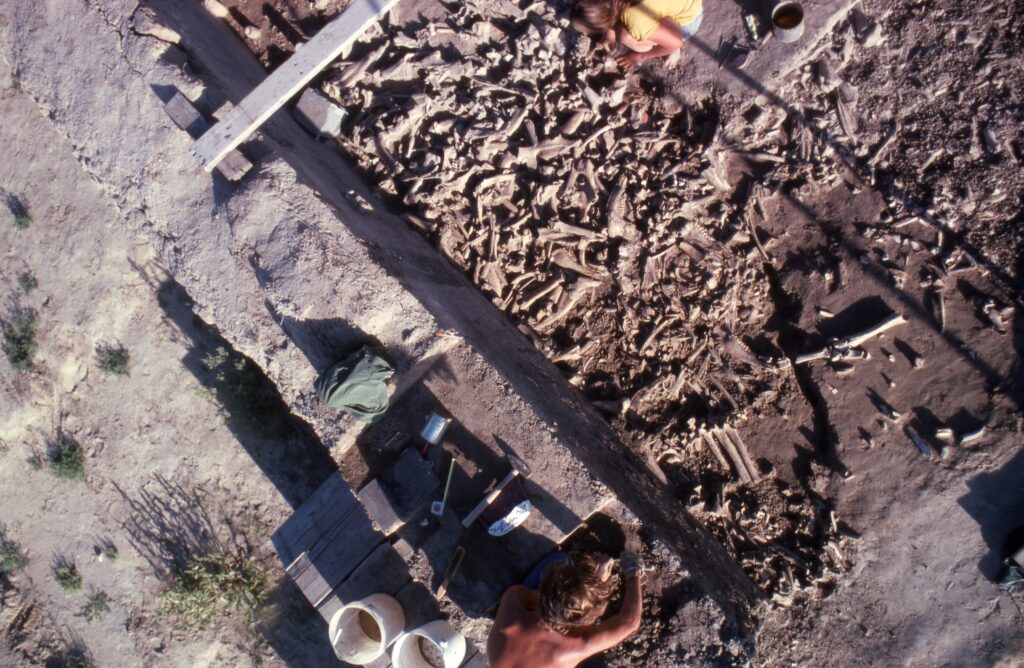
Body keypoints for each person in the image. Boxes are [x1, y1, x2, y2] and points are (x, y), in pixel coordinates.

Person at [486, 551, 645, 668]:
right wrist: (633, 574)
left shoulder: (513, 599)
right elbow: (629, 623)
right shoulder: (577, 646)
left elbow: (547, 599)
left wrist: (590, 589)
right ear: (584, 620)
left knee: (559, 560)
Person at [570, 0, 703, 68]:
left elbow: (676, 42)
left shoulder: (637, 21)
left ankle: (670, 48)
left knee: (624, 35)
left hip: (689, 18)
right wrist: (609, 31)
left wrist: (639, 56)